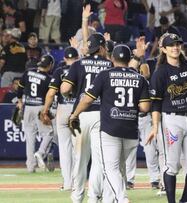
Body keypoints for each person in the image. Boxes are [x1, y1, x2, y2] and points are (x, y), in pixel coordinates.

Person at [68, 43, 150, 203]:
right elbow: (145, 107)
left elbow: (87, 100)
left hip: (110, 129)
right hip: (131, 131)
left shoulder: (105, 75)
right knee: (118, 168)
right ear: (129, 59)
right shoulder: (139, 78)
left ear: (112, 58)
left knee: (109, 168)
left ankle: (122, 198)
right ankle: (109, 200)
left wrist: (75, 114)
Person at [146, 33, 187, 203]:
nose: (175, 47)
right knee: (171, 166)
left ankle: (184, 200)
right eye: (171, 44)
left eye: (177, 44)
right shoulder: (160, 73)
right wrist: (154, 127)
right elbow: (156, 103)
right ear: (163, 49)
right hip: (171, 121)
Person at [60, 33, 113, 203]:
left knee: (80, 159)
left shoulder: (78, 64)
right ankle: (94, 197)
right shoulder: (109, 64)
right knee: (98, 160)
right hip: (102, 115)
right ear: (102, 47)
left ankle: (77, 196)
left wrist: (76, 87)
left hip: (81, 115)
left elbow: (64, 89)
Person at [41, 46, 79, 191]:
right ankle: (77, 182)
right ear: (77, 58)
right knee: (78, 149)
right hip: (77, 109)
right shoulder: (80, 68)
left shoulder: (59, 71)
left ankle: (68, 183)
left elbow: (51, 94)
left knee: (64, 149)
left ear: (64, 59)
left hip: (62, 110)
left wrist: (45, 110)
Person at [16, 54, 55, 173]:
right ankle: (40, 152)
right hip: (40, 107)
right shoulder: (48, 78)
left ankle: (30, 166)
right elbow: (50, 96)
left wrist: (19, 102)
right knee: (49, 133)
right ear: (50, 65)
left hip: (28, 107)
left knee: (30, 137)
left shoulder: (28, 72)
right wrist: (47, 110)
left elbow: (19, 88)